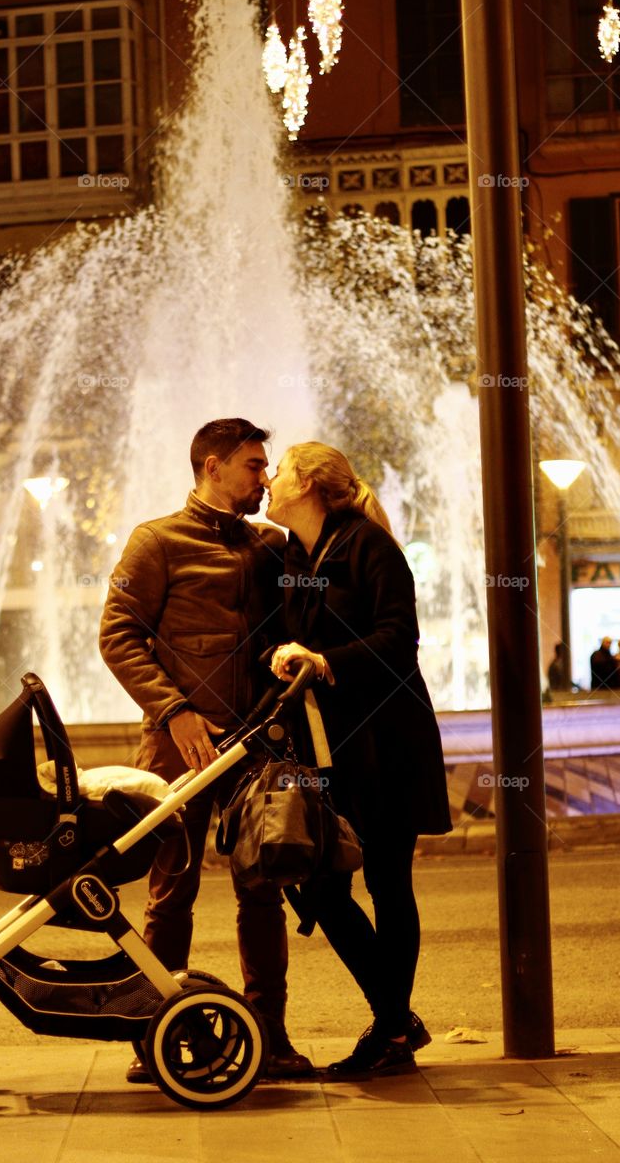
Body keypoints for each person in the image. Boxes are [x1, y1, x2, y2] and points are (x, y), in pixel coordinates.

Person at [99, 417, 314, 1081]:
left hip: (254, 744)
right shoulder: (156, 540)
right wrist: (173, 712)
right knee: (169, 894)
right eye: (253, 466)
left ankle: (270, 1037)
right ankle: (152, 1038)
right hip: (179, 747)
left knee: (262, 889)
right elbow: (117, 635)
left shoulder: (268, 546)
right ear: (212, 466)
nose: (263, 477)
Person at [266, 441, 452, 1079]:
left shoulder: (369, 546)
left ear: (311, 484)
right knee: (316, 883)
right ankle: (396, 1019)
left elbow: (400, 640)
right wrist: (284, 654)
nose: (268, 479)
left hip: (388, 741)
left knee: (387, 882)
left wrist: (323, 662)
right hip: (334, 747)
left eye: (280, 471)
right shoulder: (296, 552)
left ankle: (392, 1034)